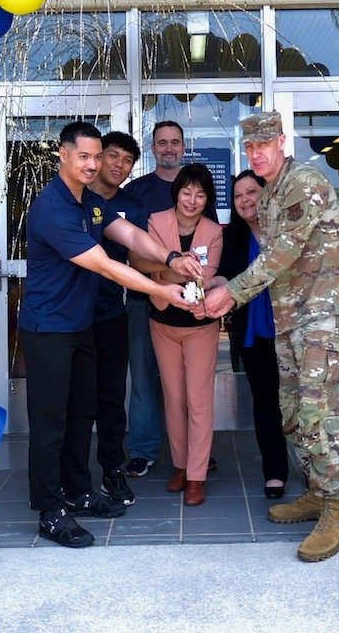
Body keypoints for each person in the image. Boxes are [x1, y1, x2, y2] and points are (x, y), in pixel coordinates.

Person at [20, 121, 202, 549]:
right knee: (51, 423)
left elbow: (130, 235)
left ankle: (79, 491)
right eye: (83, 156)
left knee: (82, 413)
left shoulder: (89, 204)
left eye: (96, 157)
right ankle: (50, 510)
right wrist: (161, 289)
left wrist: (172, 256)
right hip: (48, 329)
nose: (92, 164)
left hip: (80, 326)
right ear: (62, 155)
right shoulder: (54, 208)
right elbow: (102, 263)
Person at [204, 111, 339, 563]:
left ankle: (337, 511)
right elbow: (273, 262)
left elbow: (281, 254)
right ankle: (316, 490)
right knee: (291, 409)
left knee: (317, 409)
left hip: (321, 315)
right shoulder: (270, 193)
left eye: (264, 145)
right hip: (291, 317)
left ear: (282, 142)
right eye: (250, 147)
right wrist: (223, 287)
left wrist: (230, 295)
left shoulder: (302, 183)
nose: (257, 154)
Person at [121, 120, 215, 476]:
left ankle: (195, 454)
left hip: (190, 306)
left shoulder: (197, 191)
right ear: (153, 147)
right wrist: (164, 274)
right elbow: (131, 249)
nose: (169, 148)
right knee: (144, 378)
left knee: (190, 388)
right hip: (143, 299)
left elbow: (209, 254)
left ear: (183, 146)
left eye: (175, 142)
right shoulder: (137, 191)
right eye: (162, 142)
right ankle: (144, 449)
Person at [133, 164, 223, 507]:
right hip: (162, 322)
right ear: (177, 193)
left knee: (199, 401)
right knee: (173, 399)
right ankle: (181, 466)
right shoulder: (156, 221)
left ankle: (197, 476)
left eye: (200, 194)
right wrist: (170, 269)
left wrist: (166, 275)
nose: (192, 199)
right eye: (186, 192)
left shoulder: (214, 232)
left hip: (199, 324)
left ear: (207, 199)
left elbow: (207, 276)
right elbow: (140, 263)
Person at [210, 170, 290, 499]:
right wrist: (201, 288)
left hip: (292, 330)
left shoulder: (286, 231)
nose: (244, 200)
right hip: (255, 333)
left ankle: (318, 471)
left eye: (251, 192)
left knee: (301, 402)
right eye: (238, 195)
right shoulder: (234, 237)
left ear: (266, 195)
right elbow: (224, 277)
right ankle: (275, 472)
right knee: (266, 401)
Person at [86, 131, 147, 507]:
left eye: (126, 160)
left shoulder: (131, 206)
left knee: (111, 399)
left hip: (110, 313)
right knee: (75, 401)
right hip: (69, 317)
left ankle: (112, 471)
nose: (118, 165)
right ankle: (71, 477)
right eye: (113, 155)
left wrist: (173, 268)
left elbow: (138, 255)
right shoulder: (75, 197)